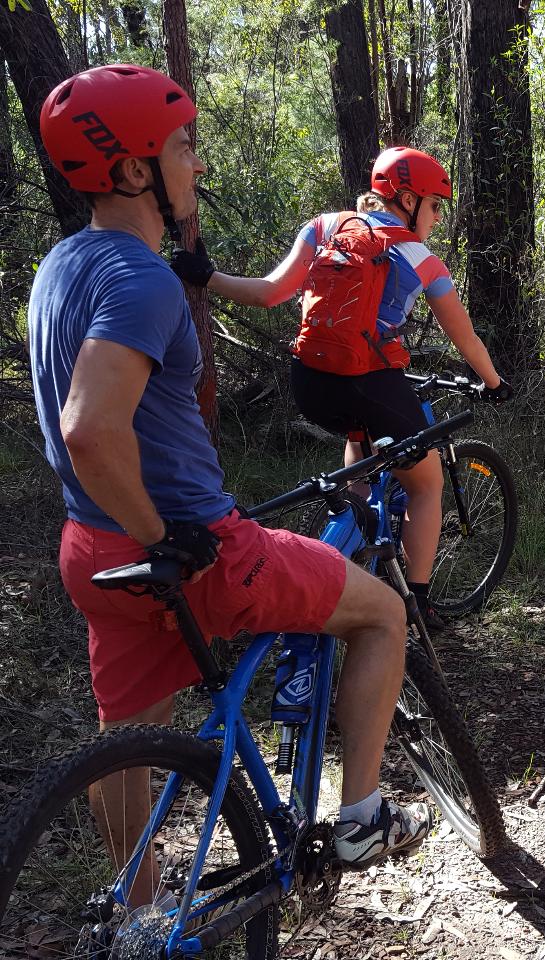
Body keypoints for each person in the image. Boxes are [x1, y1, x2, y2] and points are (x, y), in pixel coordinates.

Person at [28, 64, 432, 892]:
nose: (198, 164)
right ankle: (360, 820)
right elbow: (89, 428)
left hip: (90, 550)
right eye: (183, 146)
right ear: (135, 169)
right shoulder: (140, 278)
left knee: (124, 741)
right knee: (383, 612)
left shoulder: (58, 266)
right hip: (191, 547)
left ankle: (137, 917)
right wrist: (163, 534)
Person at [171, 147, 509, 631]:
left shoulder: (325, 227)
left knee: (359, 437)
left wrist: (206, 276)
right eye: (435, 205)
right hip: (366, 383)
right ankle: (418, 601)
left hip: (308, 382)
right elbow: (467, 339)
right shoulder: (424, 261)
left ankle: (354, 535)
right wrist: (494, 383)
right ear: (408, 199)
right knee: (428, 484)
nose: (437, 218)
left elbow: (269, 292)